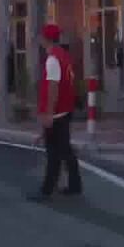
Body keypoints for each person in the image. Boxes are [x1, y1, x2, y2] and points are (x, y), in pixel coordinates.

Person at [31, 24, 81, 201]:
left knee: (53, 153)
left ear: (46, 39)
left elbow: (53, 87)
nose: (39, 39)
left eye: (41, 36)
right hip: (65, 109)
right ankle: (75, 184)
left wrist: (48, 114)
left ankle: (47, 189)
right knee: (65, 150)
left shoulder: (53, 59)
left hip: (57, 112)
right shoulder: (64, 56)